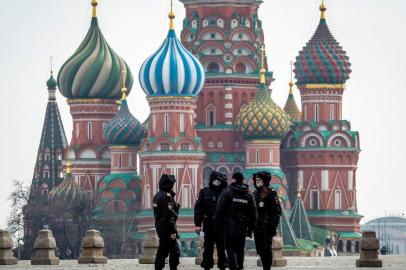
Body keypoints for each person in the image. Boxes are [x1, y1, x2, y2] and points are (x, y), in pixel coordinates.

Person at [215, 172, 256, 270]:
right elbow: (253, 213)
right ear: (242, 180)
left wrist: (217, 226)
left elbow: (219, 210)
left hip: (229, 226)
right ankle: (240, 265)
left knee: (230, 248)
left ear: (233, 179)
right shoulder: (249, 194)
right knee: (240, 248)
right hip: (243, 226)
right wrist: (250, 229)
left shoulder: (227, 192)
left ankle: (233, 266)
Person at [194, 171, 228, 270]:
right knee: (208, 247)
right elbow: (198, 209)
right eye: (215, 179)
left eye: (219, 180)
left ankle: (223, 264)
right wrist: (197, 224)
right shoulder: (205, 192)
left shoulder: (225, 192)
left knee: (222, 247)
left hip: (222, 225)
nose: (217, 182)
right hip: (208, 224)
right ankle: (207, 265)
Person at [252, 171, 281, 270]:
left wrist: (273, 227)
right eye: (256, 179)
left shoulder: (271, 192)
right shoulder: (255, 193)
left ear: (265, 180)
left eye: (259, 179)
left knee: (266, 248)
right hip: (257, 226)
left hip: (267, 225)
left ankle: (266, 267)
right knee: (259, 249)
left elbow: (277, 211)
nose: (257, 181)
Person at [153, 174, 181, 270]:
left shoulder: (157, 195)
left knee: (163, 248)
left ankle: (158, 267)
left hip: (159, 226)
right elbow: (169, 216)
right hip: (167, 227)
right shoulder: (166, 197)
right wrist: (173, 231)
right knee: (174, 250)